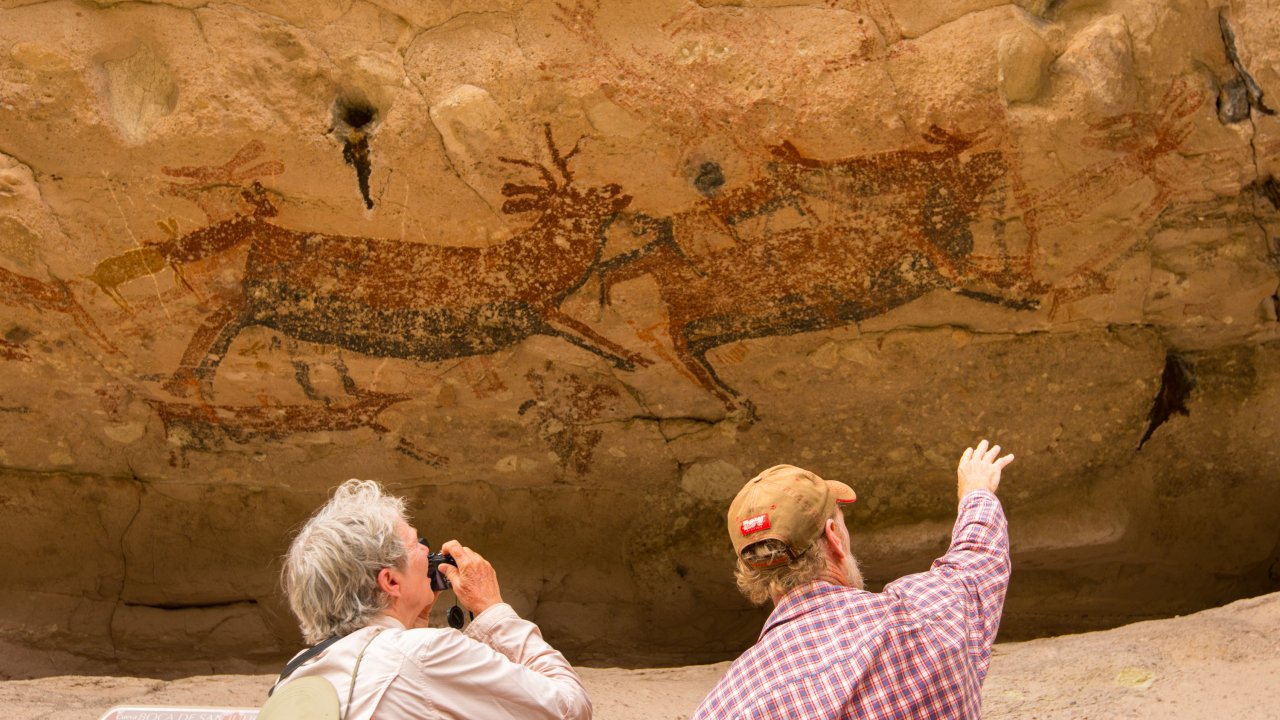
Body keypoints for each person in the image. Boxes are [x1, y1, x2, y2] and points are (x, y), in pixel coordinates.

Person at [691, 439, 1014, 719]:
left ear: (749, 569)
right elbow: (978, 558)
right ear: (834, 537)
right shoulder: (924, 613)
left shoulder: (729, 704)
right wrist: (976, 492)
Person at [274, 479, 592, 719]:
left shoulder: (295, 673)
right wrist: (493, 610)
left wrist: (414, 616)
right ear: (390, 581)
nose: (428, 551)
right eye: (416, 543)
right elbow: (570, 707)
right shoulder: (426, 653)